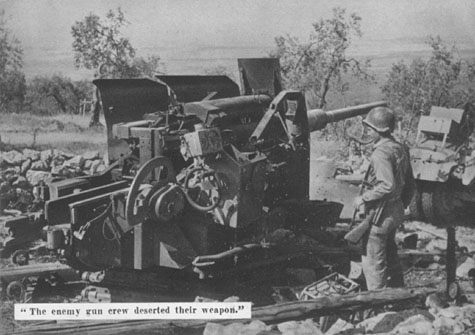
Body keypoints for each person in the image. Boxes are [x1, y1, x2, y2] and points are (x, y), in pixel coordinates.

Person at [353, 106, 415, 290]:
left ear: (380, 131)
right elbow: (410, 184)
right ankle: (398, 294)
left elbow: (387, 185)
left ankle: (377, 304)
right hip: (394, 211)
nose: (367, 132)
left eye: (370, 129)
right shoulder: (400, 148)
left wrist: (363, 198)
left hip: (379, 215)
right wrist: (399, 205)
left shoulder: (381, 153)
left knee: (373, 263)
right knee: (390, 252)